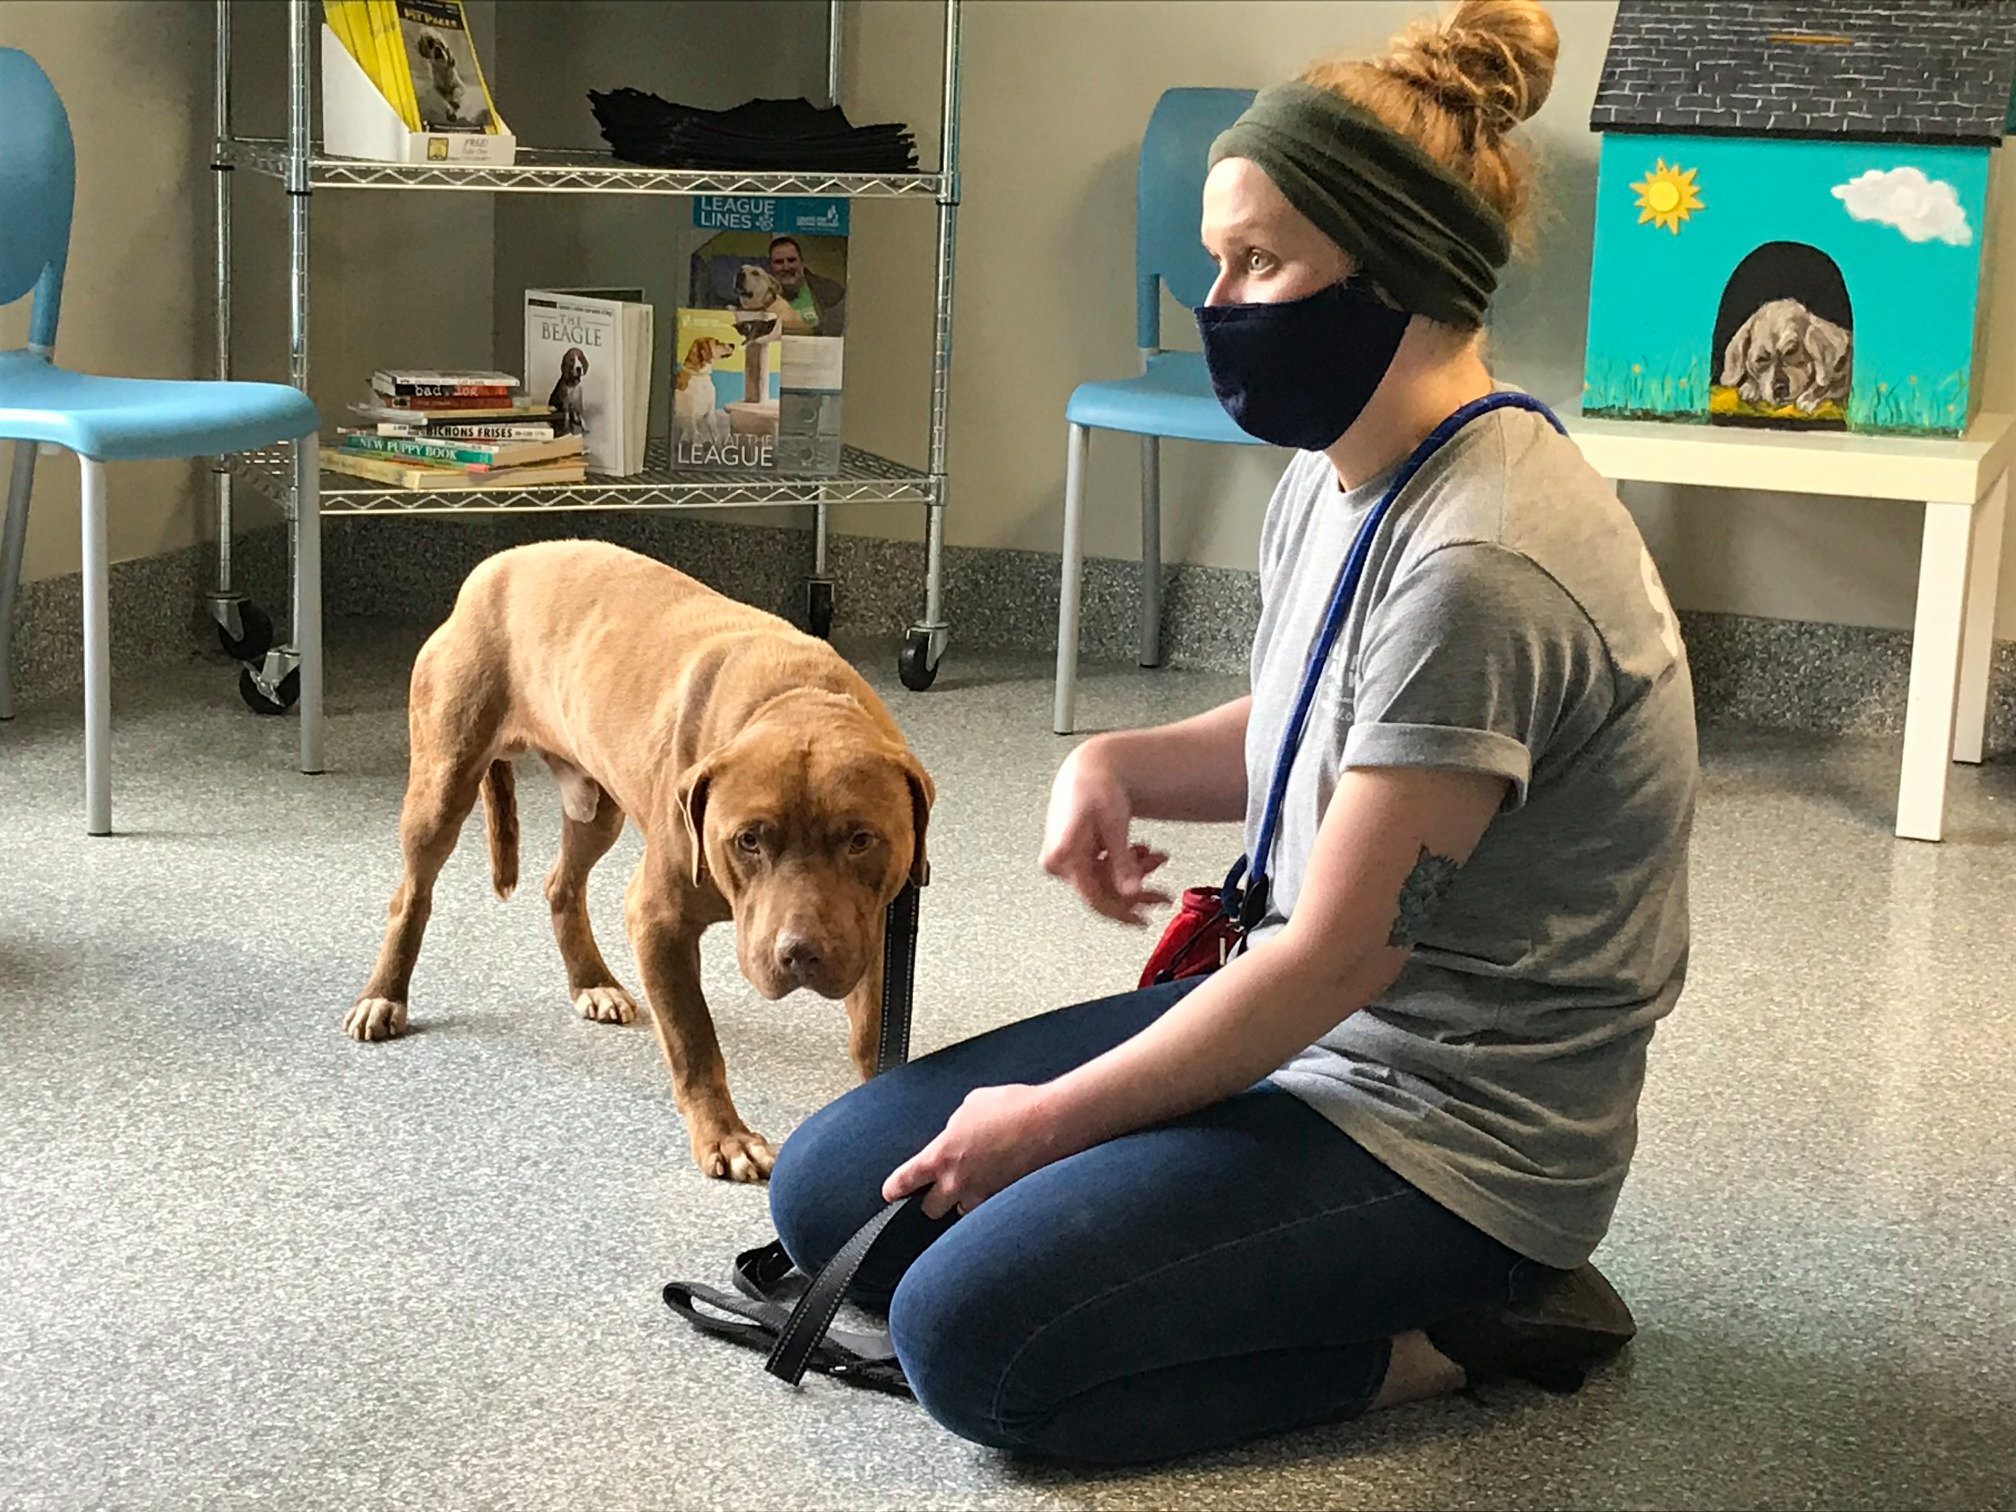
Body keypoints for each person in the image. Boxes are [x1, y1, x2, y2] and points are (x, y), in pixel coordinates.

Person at [769, 0, 1697, 1466]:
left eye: (1257, 263)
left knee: (972, 1349)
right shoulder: (1346, 467)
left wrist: (1049, 1125)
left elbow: (1336, 959)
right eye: (1219, 259)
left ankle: (1459, 1335)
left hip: (1451, 1131)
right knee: (830, 1192)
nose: (1218, 301)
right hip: (1313, 1031)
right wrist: (1117, 763)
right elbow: (1328, 722)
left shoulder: (1485, 565)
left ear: (1394, 272)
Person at [769, 234, 846, 336]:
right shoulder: (761, 298)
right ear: (770, 266)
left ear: (802, 263)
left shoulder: (831, 292)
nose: (786, 267)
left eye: (791, 260)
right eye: (779, 262)